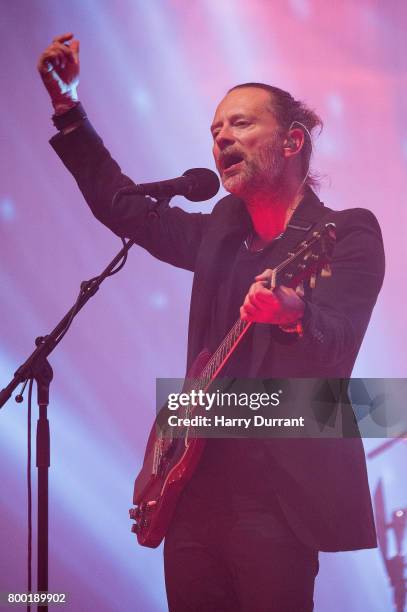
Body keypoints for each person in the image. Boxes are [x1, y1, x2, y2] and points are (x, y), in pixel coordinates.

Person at [38, 34, 385, 612]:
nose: (222, 136)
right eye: (215, 129)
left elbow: (340, 339)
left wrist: (293, 313)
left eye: (241, 124)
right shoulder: (220, 233)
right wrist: (69, 110)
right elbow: (123, 206)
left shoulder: (345, 233)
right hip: (191, 491)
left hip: (275, 498)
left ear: (292, 141)